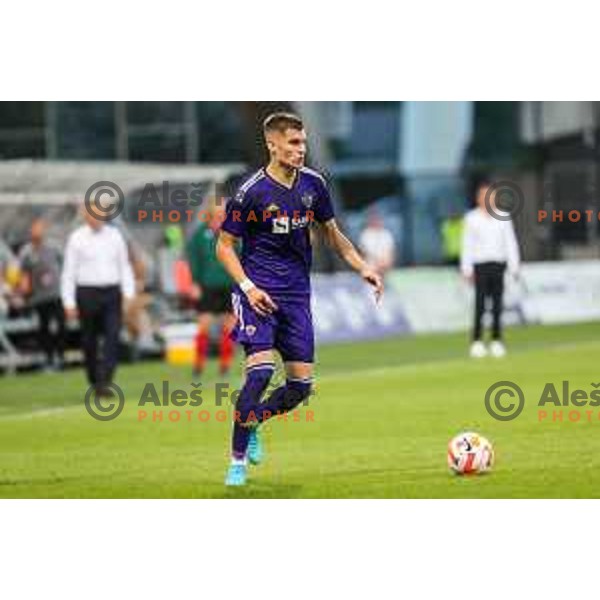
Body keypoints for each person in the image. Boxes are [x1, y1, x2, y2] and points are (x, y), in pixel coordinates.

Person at [216, 112, 384, 486]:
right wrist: (247, 287)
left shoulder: (314, 184)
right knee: (259, 374)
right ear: (272, 145)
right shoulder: (251, 192)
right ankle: (237, 462)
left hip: (296, 296)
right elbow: (224, 246)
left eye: (303, 142)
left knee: (299, 389)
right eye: (293, 143)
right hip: (257, 292)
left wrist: (362, 266)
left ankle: (254, 419)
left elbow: (332, 233)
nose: (300, 150)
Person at [61, 201, 135, 396]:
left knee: (112, 336)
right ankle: (94, 379)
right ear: (85, 216)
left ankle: (106, 380)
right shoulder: (76, 238)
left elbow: (124, 266)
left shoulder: (115, 236)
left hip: (111, 292)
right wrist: (68, 302)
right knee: (89, 339)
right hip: (87, 292)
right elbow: (68, 272)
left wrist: (128, 293)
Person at [461, 179, 520, 358]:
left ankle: (496, 340)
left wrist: (514, 264)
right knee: (479, 305)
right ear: (478, 198)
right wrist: (466, 269)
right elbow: (467, 245)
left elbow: (510, 243)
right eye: (483, 195)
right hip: (480, 265)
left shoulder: (503, 217)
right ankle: (477, 341)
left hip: (498, 264)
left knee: (497, 305)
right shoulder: (471, 218)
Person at [186, 199, 235, 378]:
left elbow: (242, 255)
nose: (221, 216)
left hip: (230, 285)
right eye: (218, 213)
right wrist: (194, 283)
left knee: (229, 328)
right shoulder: (200, 235)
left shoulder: (233, 233)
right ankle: (198, 365)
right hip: (207, 287)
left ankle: (225, 366)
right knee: (204, 326)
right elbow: (193, 259)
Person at [19, 218, 65, 371]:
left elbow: (64, 265)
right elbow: (23, 274)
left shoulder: (54, 247)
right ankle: (48, 358)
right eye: (34, 229)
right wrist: (24, 290)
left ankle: (60, 356)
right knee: (43, 328)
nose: (37, 232)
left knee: (60, 325)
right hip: (38, 297)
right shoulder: (26, 252)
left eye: (39, 228)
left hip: (56, 294)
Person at [359, 210, 396, 277]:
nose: (377, 221)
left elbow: (390, 254)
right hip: (370, 271)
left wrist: (384, 265)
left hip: (384, 271)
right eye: (374, 219)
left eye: (378, 219)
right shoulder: (365, 235)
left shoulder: (386, 234)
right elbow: (363, 254)